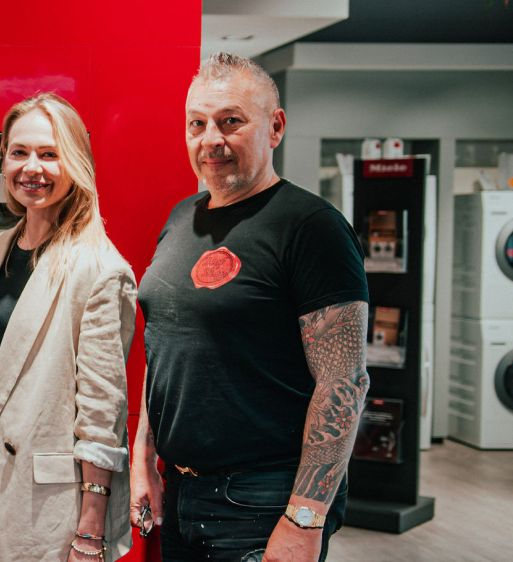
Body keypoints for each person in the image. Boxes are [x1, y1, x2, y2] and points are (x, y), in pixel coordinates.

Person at [131, 52, 370, 562]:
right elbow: (167, 348)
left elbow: (343, 384)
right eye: (197, 123)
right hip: (182, 493)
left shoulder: (312, 228)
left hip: (264, 501)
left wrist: (305, 518)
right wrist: (144, 457)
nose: (210, 139)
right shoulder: (182, 218)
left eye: (231, 121)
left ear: (275, 127)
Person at [0, 93, 136, 561]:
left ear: (74, 163)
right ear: (4, 160)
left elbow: (102, 418)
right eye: (19, 152)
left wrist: (90, 533)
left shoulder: (100, 269)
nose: (31, 168)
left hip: (38, 508)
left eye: (49, 154)